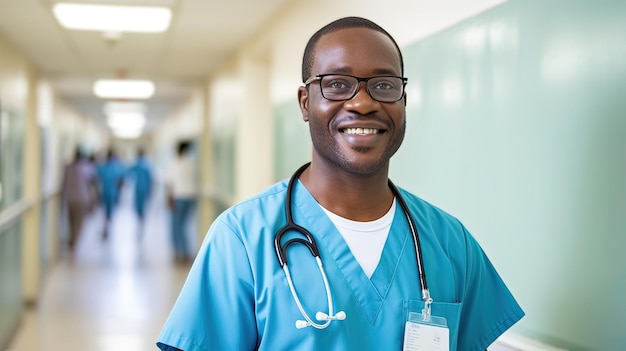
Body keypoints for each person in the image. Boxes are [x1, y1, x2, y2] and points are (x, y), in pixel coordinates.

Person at [157, 17, 524, 351]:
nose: (363, 103)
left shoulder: (449, 241)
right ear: (305, 103)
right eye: (336, 84)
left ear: (403, 102)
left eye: (383, 85)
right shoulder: (241, 239)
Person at [61, 147, 99, 251]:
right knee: (79, 223)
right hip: (82, 199)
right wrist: (94, 200)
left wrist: (62, 198)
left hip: (70, 199)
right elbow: (93, 184)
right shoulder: (88, 168)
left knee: (71, 221)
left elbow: (64, 184)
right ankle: (74, 242)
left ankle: (72, 240)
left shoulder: (68, 168)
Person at [166, 140, 197, 262]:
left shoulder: (175, 163)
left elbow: (170, 183)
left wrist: (169, 199)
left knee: (176, 226)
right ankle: (185, 252)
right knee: (183, 225)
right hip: (190, 197)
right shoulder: (191, 163)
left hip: (178, 197)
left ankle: (180, 252)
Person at [96, 148, 126, 239]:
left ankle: (107, 228)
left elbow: (97, 174)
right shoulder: (118, 166)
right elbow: (122, 178)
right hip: (113, 193)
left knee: (106, 212)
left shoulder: (103, 166)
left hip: (105, 192)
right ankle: (108, 228)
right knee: (110, 211)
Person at [126, 147, 153, 236]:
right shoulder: (147, 164)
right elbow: (151, 179)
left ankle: (140, 225)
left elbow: (128, 171)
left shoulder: (138, 164)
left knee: (139, 207)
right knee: (142, 208)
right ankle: (141, 225)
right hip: (144, 189)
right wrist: (150, 190)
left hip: (139, 189)